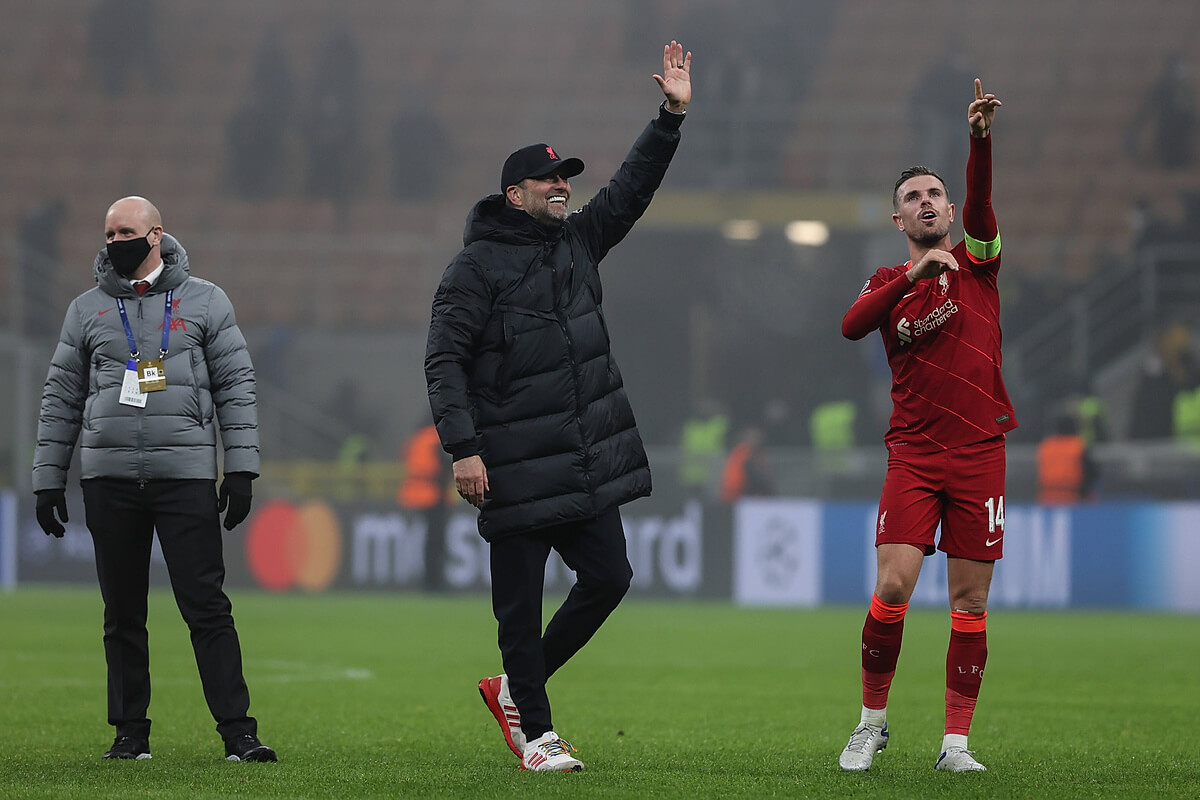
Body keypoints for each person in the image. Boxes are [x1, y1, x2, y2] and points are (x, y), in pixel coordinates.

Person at [424, 41, 692, 773]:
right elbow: (443, 359)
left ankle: (514, 689)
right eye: (548, 178)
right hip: (508, 463)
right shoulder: (474, 267)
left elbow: (631, 189)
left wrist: (669, 116)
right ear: (515, 194)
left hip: (576, 459)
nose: (562, 185)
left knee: (610, 578)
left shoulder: (577, 243)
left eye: (565, 176)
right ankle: (536, 736)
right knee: (518, 607)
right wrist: (463, 447)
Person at [32, 197, 276, 764]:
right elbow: (60, 398)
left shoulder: (206, 302)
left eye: (127, 232)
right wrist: (49, 477)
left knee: (207, 608)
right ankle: (130, 734)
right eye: (109, 232)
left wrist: (240, 467)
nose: (115, 241)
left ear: (157, 235)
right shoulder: (85, 310)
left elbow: (237, 385)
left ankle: (238, 733)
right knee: (121, 613)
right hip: (108, 479)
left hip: (185, 477)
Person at [838, 80, 1012, 773]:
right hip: (913, 454)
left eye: (934, 193)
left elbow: (981, 201)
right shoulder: (887, 280)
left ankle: (955, 745)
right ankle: (871, 722)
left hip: (980, 452)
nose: (927, 202)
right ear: (898, 219)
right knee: (892, 589)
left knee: (969, 603)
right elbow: (851, 327)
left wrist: (979, 140)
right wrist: (913, 276)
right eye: (913, 197)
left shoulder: (980, 260)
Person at [1037, 411, 1099, 505]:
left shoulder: (1046, 446)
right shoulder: (1078, 446)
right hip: (1073, 499)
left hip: (1047, 499)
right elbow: (1092, 472)